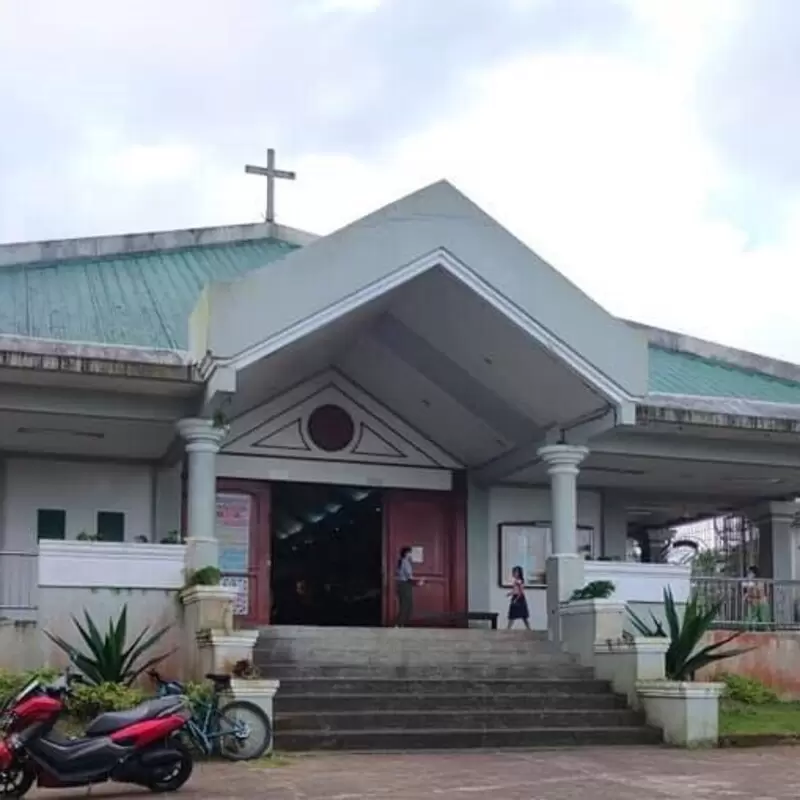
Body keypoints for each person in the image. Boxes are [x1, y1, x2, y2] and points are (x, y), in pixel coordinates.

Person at [394, 546, 421, 627]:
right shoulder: (405, 562)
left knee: (404, 605)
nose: (411, 554)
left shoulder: (401, 561)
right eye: (410, 553)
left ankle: (401, 623)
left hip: (401, 585)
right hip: (405, 585)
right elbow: (408, 577)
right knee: (407, 605)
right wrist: (417, 583)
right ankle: (400, 624)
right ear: (406, 553)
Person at [507, 565, 530, 630]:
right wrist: (510, 593)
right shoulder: (515, 581)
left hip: (519, 598)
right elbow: (515, 590)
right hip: (515, 597)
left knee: (523, 615)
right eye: (514, 572)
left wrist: (516, 599)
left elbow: (521, 591)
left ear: (519, 573)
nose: (514, 573)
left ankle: (528, 628)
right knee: (512, 615)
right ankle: (508, 628)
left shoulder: (520, 581)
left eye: (516, 572)